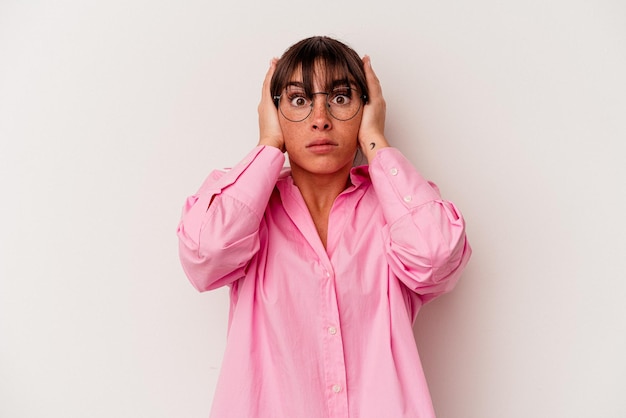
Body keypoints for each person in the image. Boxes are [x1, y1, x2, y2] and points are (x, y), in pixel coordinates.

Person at [177, 36, 472, 418]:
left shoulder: (396, 209)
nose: (320, 118)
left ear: (366, 109)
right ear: (274, 111)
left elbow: (436, 257)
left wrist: (376, 141)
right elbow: (206, 254)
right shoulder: (250, 213)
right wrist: (269, 143)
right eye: (299, 101)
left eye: (340, 98)